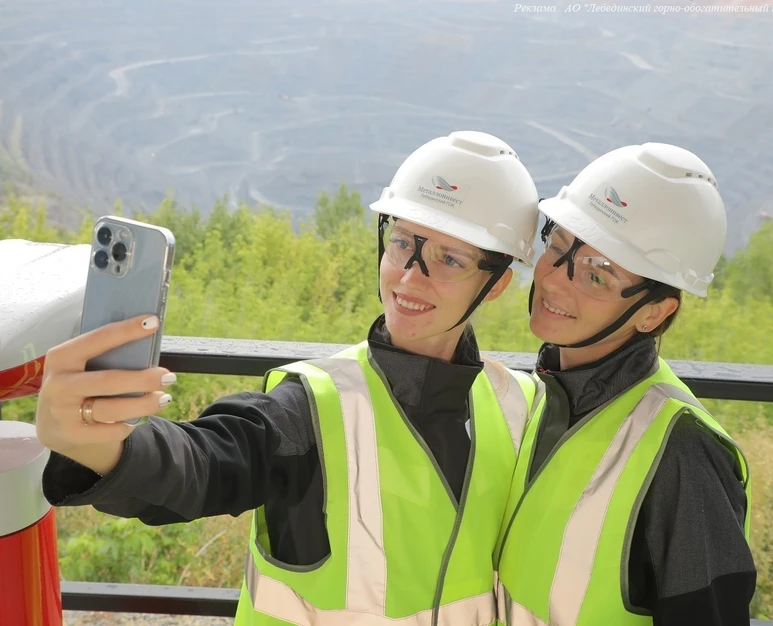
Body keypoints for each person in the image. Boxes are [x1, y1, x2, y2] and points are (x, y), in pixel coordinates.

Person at [34, 130, 547, 625]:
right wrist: (99, 445)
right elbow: (204, 463)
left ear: (497, 283)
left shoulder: (518, 407)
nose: (410, 275)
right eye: (403, 242)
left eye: (449, 258)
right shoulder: (312, 406)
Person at [494, 142, 756, 626]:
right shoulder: (543, 396)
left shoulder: (682, 451)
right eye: (558, 245)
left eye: (598, 274)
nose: (554, 280)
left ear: (655, 312)